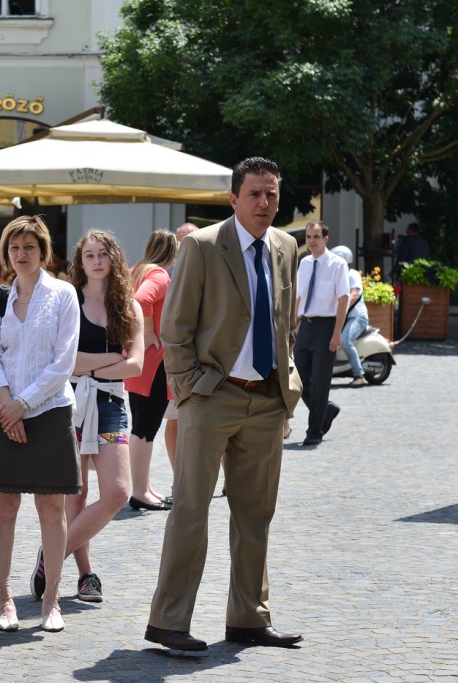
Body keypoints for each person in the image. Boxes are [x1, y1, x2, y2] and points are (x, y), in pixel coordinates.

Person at [145, 157, 303, 652]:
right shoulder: (203, 245)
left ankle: (249, 618)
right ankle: (169, 621)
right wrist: (191, 387)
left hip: (267, 398)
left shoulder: (287, 246)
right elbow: (174, 326)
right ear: (234, 198)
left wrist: (286, 383)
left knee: (256, 514)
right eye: (254, 193)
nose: (264, 202)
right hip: (212, 395)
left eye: (271, 194)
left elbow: (285, 321)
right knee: (191, 509)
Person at [0, 215, 81, 633]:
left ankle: (51, 599)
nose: (21, 254)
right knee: (3, 507)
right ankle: (4, 600)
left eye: (29, 247)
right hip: (1, 411)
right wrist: (7, 405)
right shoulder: (0, 297)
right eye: (14, 248)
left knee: (51, 508)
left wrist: (23, 404)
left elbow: (63, 362)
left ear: (43, 251)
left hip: (49, 412)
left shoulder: (63, 294)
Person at [56, 229, 143, 605]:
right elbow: (67, 362)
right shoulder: (68, 300)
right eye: (89, 255)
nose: (96, 261)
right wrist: (110, 359)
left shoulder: (129, 305)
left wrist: (90, 366)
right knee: (76, 494)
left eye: (103, 254)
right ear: (80, 261)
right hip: (71, 403)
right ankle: (85, 575)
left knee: (118, 492)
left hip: (110, 404)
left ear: (114, 258)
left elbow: (136, 365)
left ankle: (51, 555)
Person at [125, 230, 178, 511]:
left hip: (141, 361)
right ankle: (139, 492)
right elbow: (142, 300)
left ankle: (143, 487)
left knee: (142, 428)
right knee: (145, 430)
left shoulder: (138, 269)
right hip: (153, 363)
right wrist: (147, 332)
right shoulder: (159, 275)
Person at [295, 220, 349, 447]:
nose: (311, 241)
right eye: (308, 237)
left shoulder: (338, 264)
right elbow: (299, 295)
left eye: (316, 236)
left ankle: (314, 431)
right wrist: (295, 322)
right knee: (296, 379)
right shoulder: (305, 263)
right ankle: (325, 410)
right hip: (305, 326)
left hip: (327, 327)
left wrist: (337, 333)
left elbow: (343, 298)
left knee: (320, 382)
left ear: (325, 239)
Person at [161, 223, 198, 467]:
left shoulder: (209, 266)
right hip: (175, 353)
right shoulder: (166, 272)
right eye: (183, 239)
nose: (187, 243)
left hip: (203, 355)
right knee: (174, 417)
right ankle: (178, 477)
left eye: (192, 238)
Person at [331, 245, 369, 387]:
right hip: (343, 316)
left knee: (345, 340)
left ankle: (359, 375)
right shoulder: (337, 276)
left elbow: (354, 294)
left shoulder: (352, 274)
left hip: (356, 317)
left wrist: (341, 309)